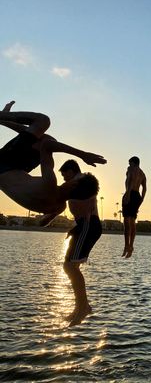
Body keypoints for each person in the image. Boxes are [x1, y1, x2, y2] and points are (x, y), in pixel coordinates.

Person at [0, 101, 106, 214]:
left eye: (75, 178)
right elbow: (45, 221)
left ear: (74, 184)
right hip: (13, 170)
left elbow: (47, 145)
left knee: (43, 121)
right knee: (43, 138)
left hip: (4, 164)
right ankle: (4, 119)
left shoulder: (49, 185)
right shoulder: (59, 207)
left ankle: (3, 117)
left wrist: (82, 155)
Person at [58, 159, 102, 327]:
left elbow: (85, 198)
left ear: (71, 170)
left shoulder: (81, 180)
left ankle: (83, 308)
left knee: (70, 267)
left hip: (88, 226)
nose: (63, 178)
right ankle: (81, 307)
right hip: (83, 227)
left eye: (64, 174)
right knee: (69, 266)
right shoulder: (78, 183)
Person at [122, 156, 146, 258]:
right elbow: (145, 188)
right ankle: (131, 245)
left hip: (130, 194)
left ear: (133, 163)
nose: (128, 165)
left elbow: (130, 181)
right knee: (132, 221)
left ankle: (126, 245)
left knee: (127, 222)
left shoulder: (131, 169)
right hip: (137, 196)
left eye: (129, 163)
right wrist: (142, 199)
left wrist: (127, 194)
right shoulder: (142, 173)